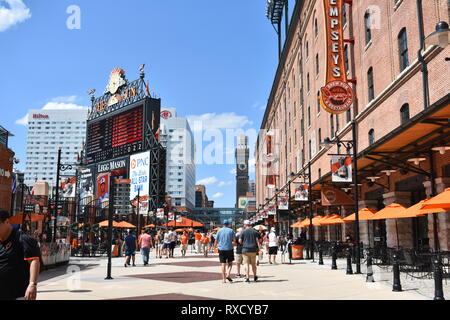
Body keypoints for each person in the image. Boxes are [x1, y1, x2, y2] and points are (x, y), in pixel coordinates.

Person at [0, 210, 41, 300]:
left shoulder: (22, 239)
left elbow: (34, 261)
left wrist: (32, 284)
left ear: (6, 221)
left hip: (17, 294)